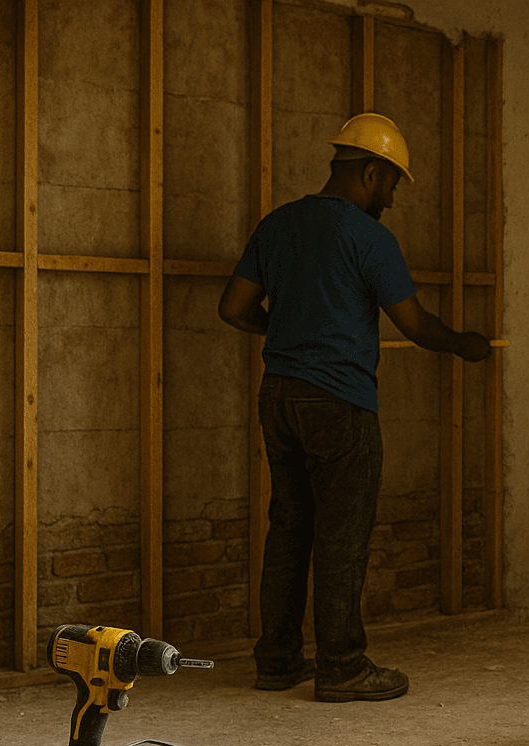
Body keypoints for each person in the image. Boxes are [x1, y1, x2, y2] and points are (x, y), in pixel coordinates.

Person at [219, 113, 490, 702]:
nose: (391, 200)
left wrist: (287, 332)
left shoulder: (277, 225)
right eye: (391, 185)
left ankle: (277, 660)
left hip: (279, 396)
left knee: (290, 527)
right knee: (342, 534)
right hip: (340, 404)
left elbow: (234, 308)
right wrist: (464, 344)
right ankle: (341, 666)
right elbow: (415, 325)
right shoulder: (368, 238)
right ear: (371, 172)